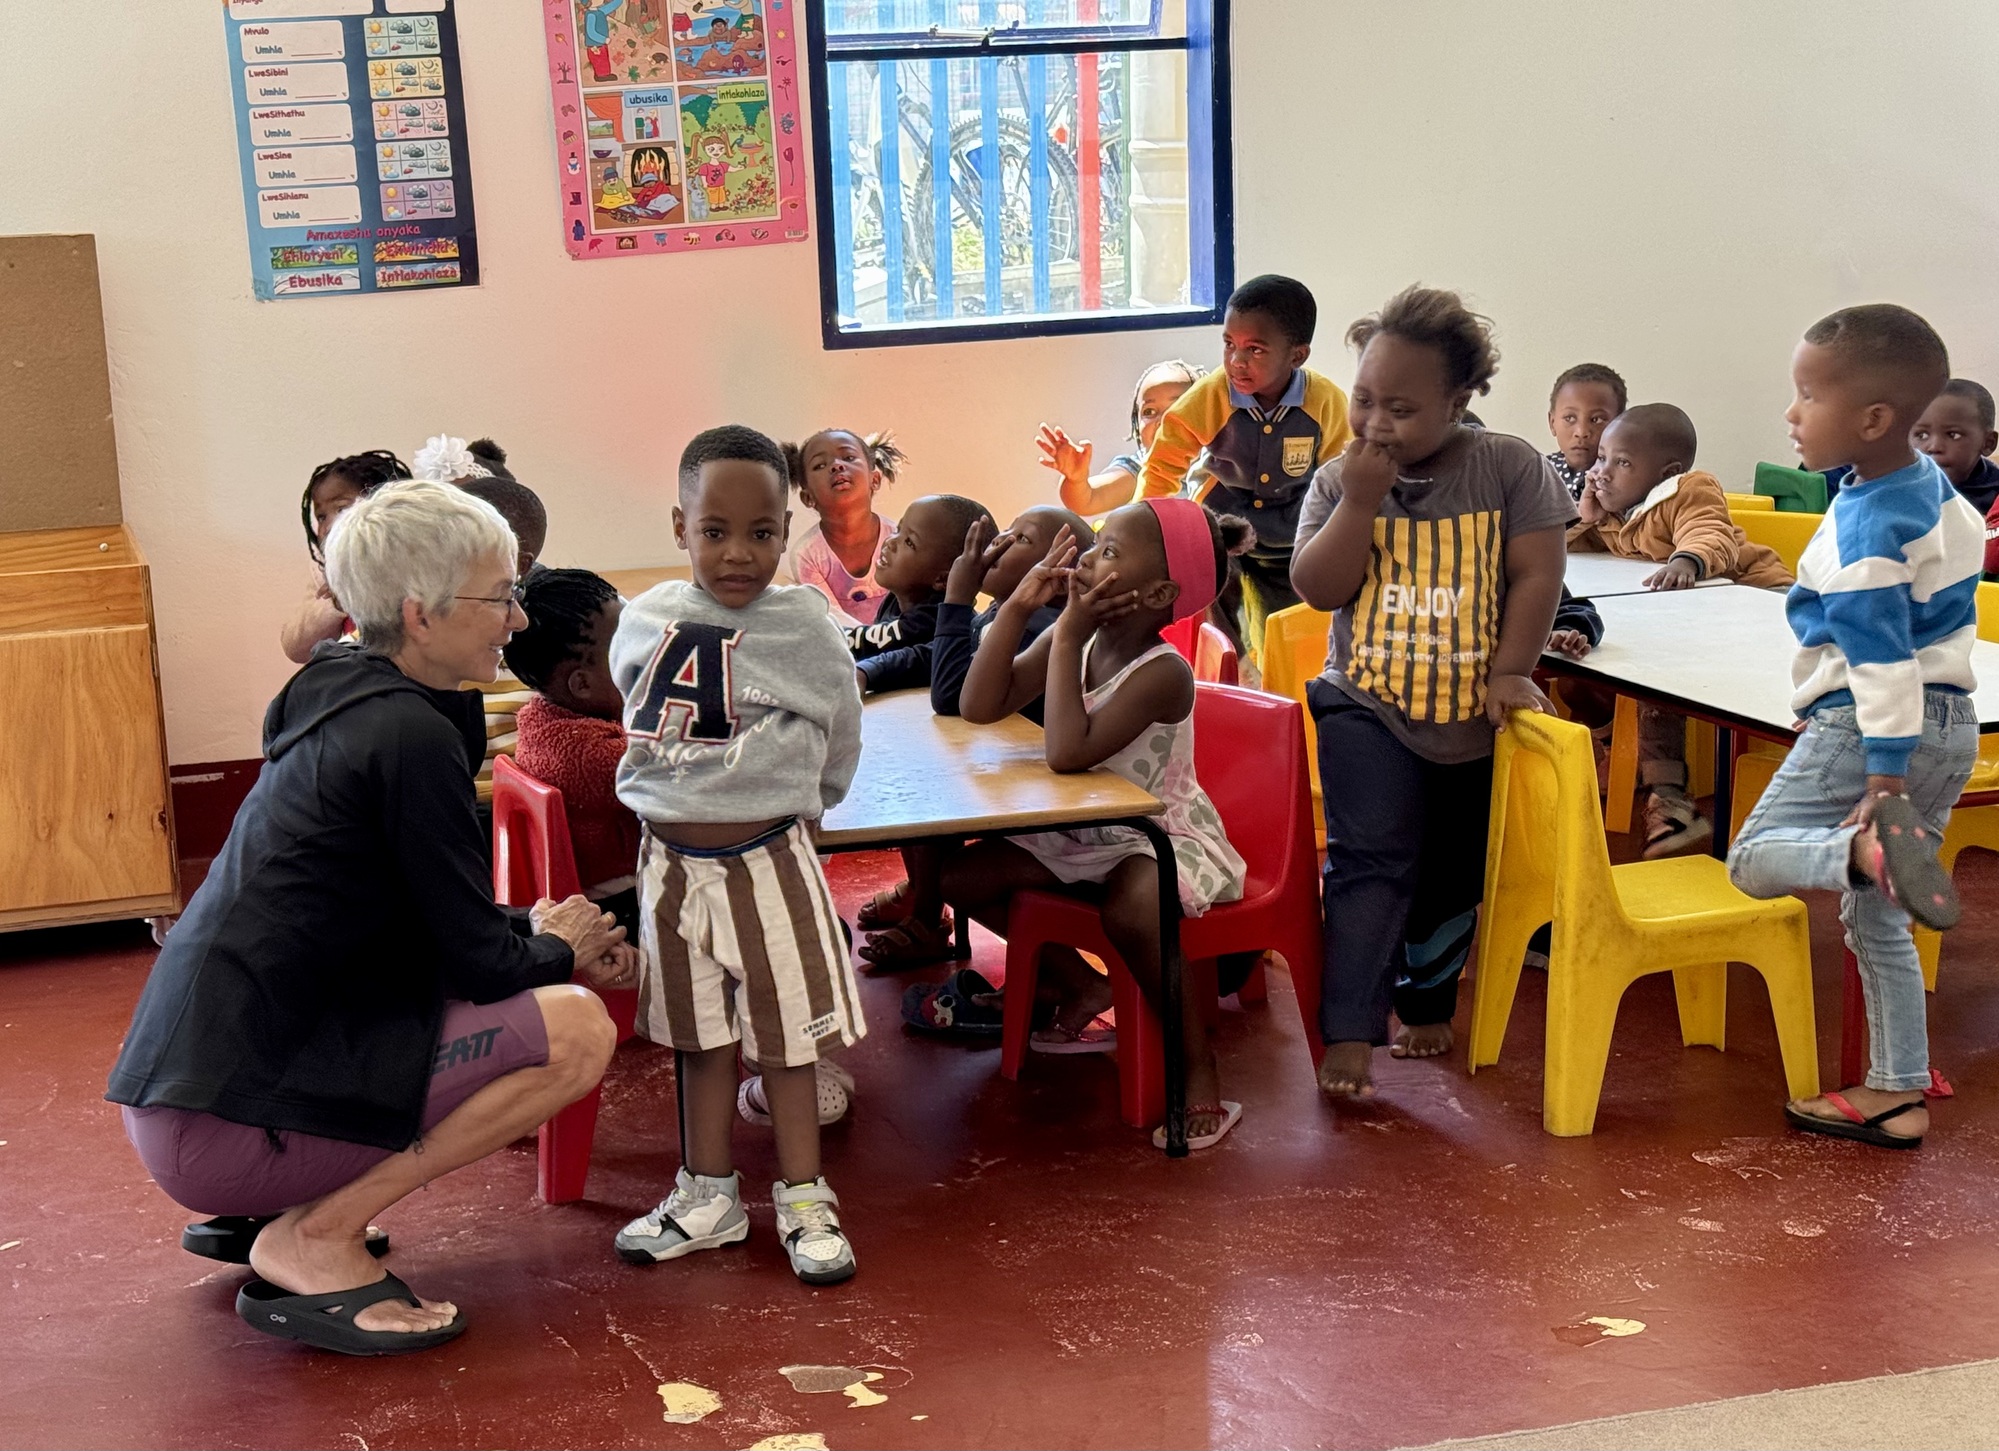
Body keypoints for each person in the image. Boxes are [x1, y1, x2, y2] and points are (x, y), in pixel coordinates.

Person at [107, 481, 633, 1356]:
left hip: (188, 1102)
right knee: (576, 1029)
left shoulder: (349, 692)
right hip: (222, 1131)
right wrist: (559, 946)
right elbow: (480, 965)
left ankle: (289, 1210)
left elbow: (430, 920)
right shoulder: (405, 735)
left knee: (544, 982)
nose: (515, 619)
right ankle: (316, 1234)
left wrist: (541, 935)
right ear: (421, 614)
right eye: (500, 596)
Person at [1289, 285, 1571, 1100]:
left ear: (1458, 400)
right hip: (1364, 702)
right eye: (1365, 400)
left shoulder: (1507, 466)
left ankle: (1426, 1003)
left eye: (1402, 408)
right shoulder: (1339, 480)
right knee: (1369, 862)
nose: (1376, 423)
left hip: (1470, 719)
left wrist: (1511, 669)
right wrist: (1360, 501)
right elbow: (1317, 587)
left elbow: (1536, 574)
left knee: (1451, 874)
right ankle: (1348, 1030)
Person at [610, 425, 866, 1284]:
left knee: (788, 1040)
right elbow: (639, 712)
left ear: (786, 529)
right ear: (678, 527)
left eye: (761, 532)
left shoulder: (803, 626)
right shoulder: (645, 616)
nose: (737, 554)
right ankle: (707, 1194)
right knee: (698, 1038)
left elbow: (839, 726)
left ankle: (805, 1197)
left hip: (767, 862)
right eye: (714, 531)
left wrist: (813, 801)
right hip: (669, 869)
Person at [1729, 304, 1982, 1150]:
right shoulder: (1926, 486)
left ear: (1872, 420)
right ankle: (1896, 1090)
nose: (1790, 413)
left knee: (1751, 858)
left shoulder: (1867, 528)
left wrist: (1881, 771)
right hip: (1951, 722)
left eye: (1807, 396)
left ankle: (1860, 853)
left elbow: (1880, 658)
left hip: (1874, 727)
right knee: (1878, 919)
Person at [941, 500, 1250, 1151]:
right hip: (1083, 831)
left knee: (1132, 907)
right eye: (1095, 543)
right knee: (960, 876)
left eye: (1108, 551)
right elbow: (978, 704)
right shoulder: (1075, 640)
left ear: (1157, 594)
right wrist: (1018, 609)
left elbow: (1067, 751)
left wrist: (1066, 634)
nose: (1085, 558)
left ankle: (1197, 1067)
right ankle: (1081, 985)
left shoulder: (1162, 671)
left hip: (1153, 835)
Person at [857, 504, 1096, 972]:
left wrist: (958, 597)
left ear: (1058, 574)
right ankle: (922, 895)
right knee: (923, 767)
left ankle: (929, 914)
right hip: (1007, 771)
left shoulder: (1038, 627)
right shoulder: (1002, 613)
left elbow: (950, 695)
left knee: (930, 784)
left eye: (1020, 539)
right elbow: (933, 654)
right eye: (1007, 530)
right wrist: (869, 671)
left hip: (1045, 797)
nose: (999, 542)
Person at [1568, 402, 1796, 857]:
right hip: (1691, 619)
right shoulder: (1616, 510)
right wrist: (1584, 516)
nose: (1603, 472)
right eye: (1602, 459)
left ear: (1666, 472)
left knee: (1657, 676)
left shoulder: (1689, 489)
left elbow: (1710, 534)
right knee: (1646, 674)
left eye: (1622, 463)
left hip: (1765, 604)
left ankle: (1672, 799)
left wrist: (1686, 561)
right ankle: (1671, 800)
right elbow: (1564, 547)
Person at [1140, 275, 1354, 652]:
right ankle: (1230, 665)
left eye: (1255, 350)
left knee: (1286, 625)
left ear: (1297, 356)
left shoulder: (1324, 401)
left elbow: (1338, 477)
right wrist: (1146, 529)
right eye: (1229, 344)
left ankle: (1272, 671)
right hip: (1222, 524)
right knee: (1207, 585)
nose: (1236, 362)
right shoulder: (1212, 395)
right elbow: (1163, 464)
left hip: (1290, 535)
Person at [505, 567, 642, 935]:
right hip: (622, 907)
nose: (645, 654)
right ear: (582, 684)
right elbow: (677, 766)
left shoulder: (543, 715)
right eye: (628, 648)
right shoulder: (590, 755)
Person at [845, 493, 995, 695]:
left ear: (943, 579)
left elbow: (870, 646)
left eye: (909, 542)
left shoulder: (936, 618)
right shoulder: (895, 600)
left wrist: (865, 669)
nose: (890, 542)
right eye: (898, 530)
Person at [280, 450, 412, 664]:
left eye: (341, 509)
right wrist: (337, 603)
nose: (327, 526)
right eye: (321, 517)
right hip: (352, 676)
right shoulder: (324, 572)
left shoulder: (414, 561)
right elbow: (295, 648)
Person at [1037, 359, 1204, 517]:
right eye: (1149, 412)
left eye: (1177, 408)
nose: (1162, 420)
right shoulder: (1137, 471)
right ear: (1137, 427)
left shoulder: (1213, 462)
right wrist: (1076, 479)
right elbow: (1087, 500)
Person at [785, 428, 905, 624]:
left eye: (848, 458)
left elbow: (914, 604)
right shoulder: (807, 554)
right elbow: (829, 618)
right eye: (820, 465)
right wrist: (870, 639)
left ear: (874, 480)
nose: (836, 466)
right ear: (808, 498)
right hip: (842, 641)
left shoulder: (896, 539)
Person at [1911, 378, 1999, 516]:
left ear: (1988, 443)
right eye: (1922, 435)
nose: (1934, 447)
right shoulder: (1896, 490)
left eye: (1953, 435)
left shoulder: (1994, 498)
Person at [1546, 363, 1627, 500]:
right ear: (1552, 422)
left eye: (1596, 420)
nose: (1581, 432)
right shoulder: (1537, 474)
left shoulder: (1626, 479)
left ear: (1620, 425)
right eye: (1570, 418)